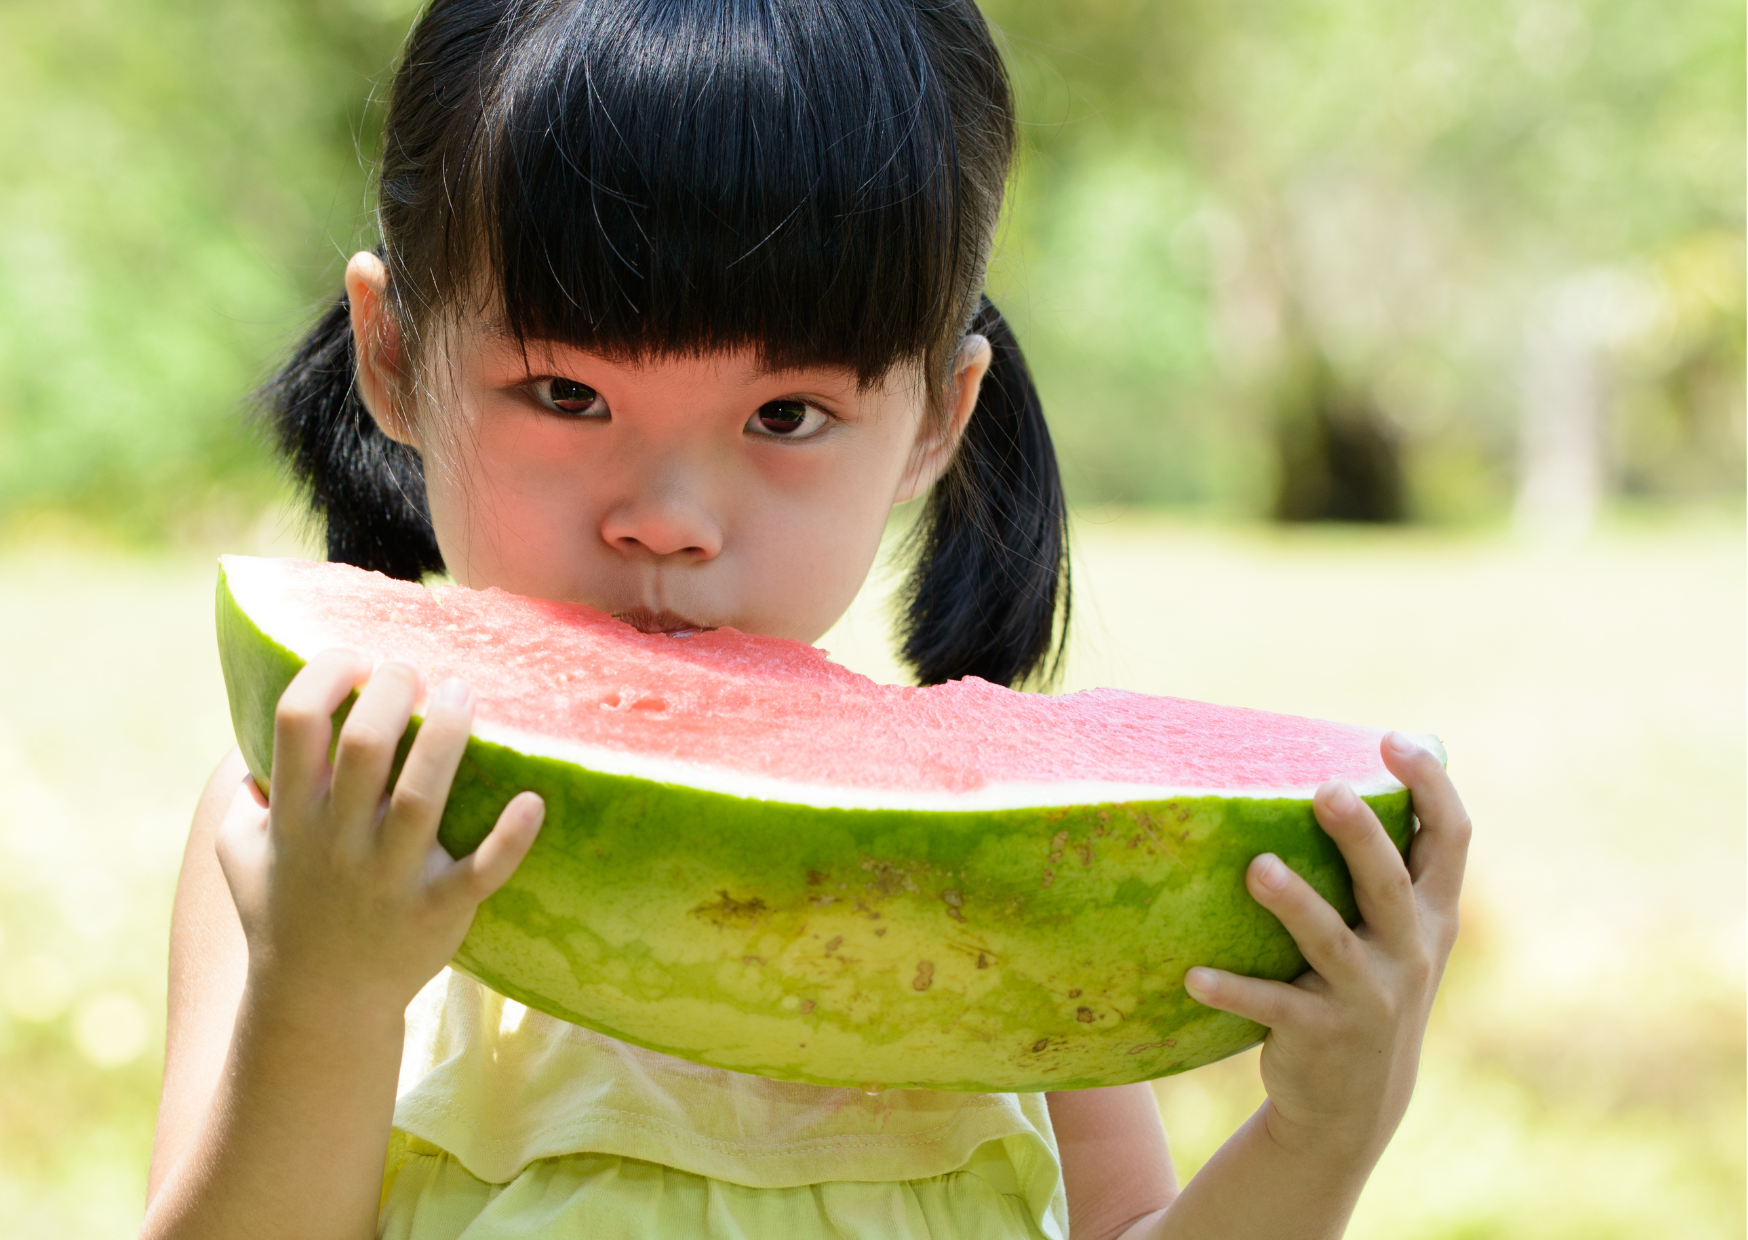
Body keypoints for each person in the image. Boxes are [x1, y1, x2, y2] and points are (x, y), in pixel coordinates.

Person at [141, 1, 1471, 1237]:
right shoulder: (312, 823)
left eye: (785, 416)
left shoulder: (1012, 862)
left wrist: (1321, 1136)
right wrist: (329, 994)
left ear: (936, 420)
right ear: (393, 357)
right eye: (566, 394)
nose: (669, 518)